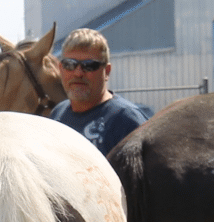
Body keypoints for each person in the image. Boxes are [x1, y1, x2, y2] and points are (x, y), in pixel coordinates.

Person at [49, 28, 149, 156]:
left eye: (89, 65)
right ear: (61, 69)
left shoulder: (126, 121)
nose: (78, 73)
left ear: (106, 71)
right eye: (70, 64)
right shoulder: (58, 114)